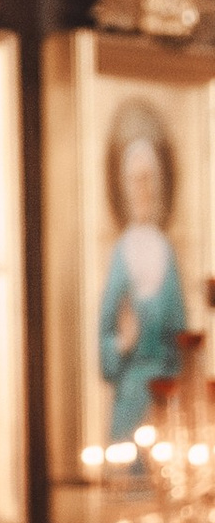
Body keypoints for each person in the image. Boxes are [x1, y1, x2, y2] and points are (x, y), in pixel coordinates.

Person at [100, 104, 187, 446]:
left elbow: (181, 337)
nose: (143, 189)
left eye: (149, 178)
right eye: (135, 179)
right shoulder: (120, 255)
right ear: (122, 184)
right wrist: (122, 343)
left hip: (165, 402)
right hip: (129, 398)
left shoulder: (167, 252)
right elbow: (104, 344)